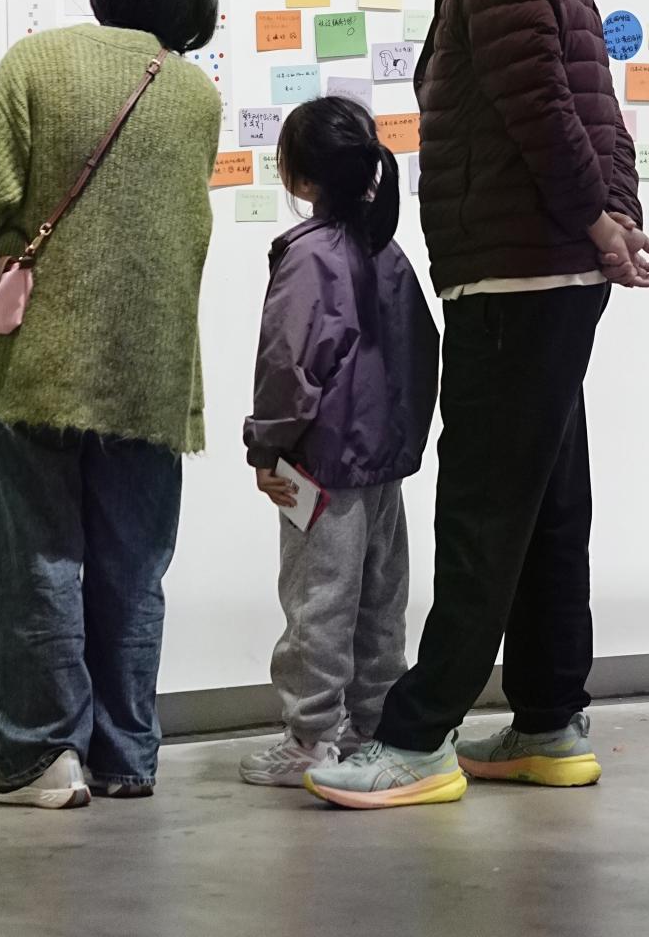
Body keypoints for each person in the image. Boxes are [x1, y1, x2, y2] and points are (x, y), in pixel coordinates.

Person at [306, 0, 649, 811]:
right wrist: (613, 220)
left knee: (481, 509)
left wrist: (599, 221)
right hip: (547, 275)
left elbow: (545, 115)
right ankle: (549, 719)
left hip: (514, 278)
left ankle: (417, 737)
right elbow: (602, 117)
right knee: (546, 505)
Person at [0, 0, 222, 810]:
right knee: (133, 567)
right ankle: (126, 754)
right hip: (151, 369)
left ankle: (42, 758)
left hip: (38, 360)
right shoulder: (194, 94)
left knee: (37, 559)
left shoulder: (40, 60)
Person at [239, 96, 439, 787]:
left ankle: (310, 737)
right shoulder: (388, 251)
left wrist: (266, 447)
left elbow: (287, 363)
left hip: (321, 466)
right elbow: (422, 349)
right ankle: (373, 729)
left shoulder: (308, 256)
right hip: (383, 464)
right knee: (379, 603)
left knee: (316, 601)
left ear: (299, 175)